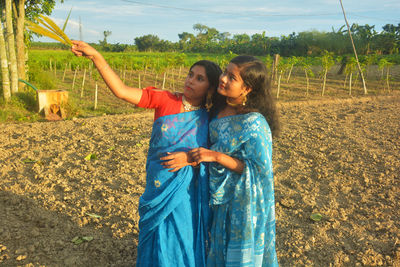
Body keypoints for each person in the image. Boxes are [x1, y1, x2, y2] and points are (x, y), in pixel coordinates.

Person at [71, 40, 222, 266]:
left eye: (199, 78)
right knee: (157, 232)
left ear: (210, 88)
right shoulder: (165, 100)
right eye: (190, 74)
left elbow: (213, 155)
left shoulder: (212, 118)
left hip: (188, 193)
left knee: (183, 235)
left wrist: (189, 159)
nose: (190, 80)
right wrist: (96, 57)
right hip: (159, 184)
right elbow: (121, 91)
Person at [162, 55, 280, 266]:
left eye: (232, 77)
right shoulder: (215, 110)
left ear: (247, 89)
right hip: (215, 194)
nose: (223, 78)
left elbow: (260, 170)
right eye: (225, 72)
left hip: (240, 200)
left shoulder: (254, 123)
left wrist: (217, 156)